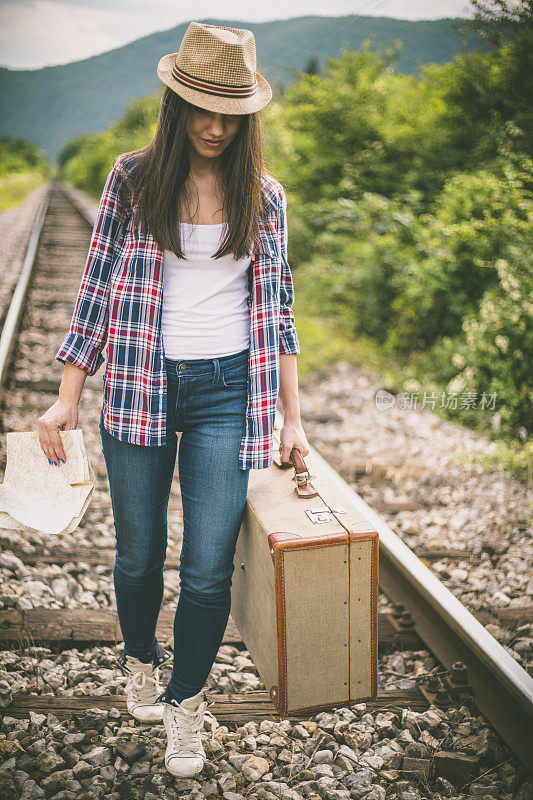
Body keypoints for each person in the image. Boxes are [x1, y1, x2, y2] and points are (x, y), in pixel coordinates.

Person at [38, 21, 309, 779]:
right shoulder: (132, 180)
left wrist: (293, 420)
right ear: (177, 104)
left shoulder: (265, 197)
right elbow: (93, 293)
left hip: (227, 392)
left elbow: (280, 312)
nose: (216, 127)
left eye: (230, 113)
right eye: (203, 109)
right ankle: (138, 658)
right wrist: (66, 399)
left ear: (247, 117)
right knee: (137, 558)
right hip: (139, 381)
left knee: (208, 568)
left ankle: (186, 704)